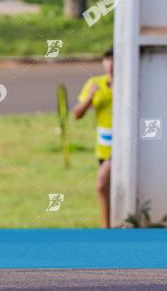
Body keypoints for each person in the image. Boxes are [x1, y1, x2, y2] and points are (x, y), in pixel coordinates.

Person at [73, 48, 113, 228]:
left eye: (114, 60)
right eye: (106, 59)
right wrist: (90, 96)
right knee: (109, 189)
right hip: (103, 147)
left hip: (123, 147)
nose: (110, 64)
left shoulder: (129, 83)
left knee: (101, 183)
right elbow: (77, 113)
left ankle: (106, 230)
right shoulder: (95, 83)